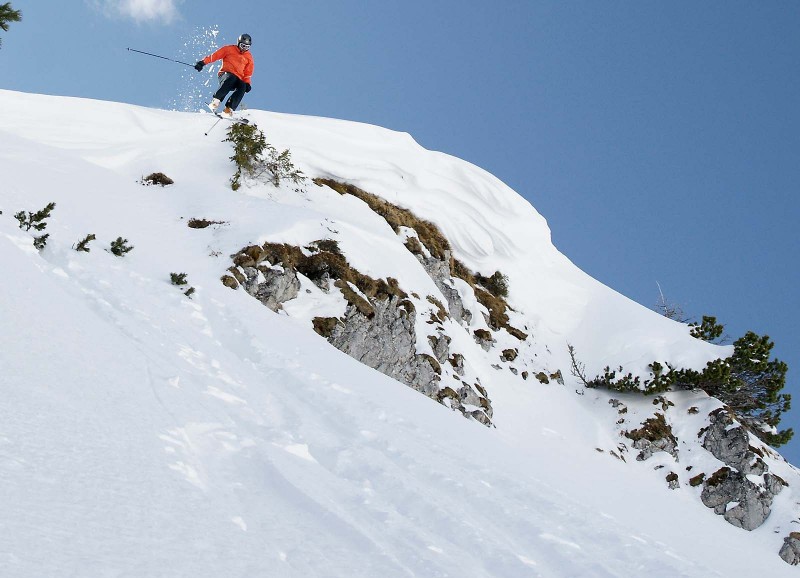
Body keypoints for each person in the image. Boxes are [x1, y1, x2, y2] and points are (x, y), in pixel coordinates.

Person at [194, 34, 254, 118]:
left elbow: (248, 73)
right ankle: (215, 102)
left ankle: (229, 109)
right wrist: (202, 63)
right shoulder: (229, 49)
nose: (244, 49)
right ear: (238, 43)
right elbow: (214, 56)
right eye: (242, 45)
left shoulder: (249, 57)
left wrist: (247, 83)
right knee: (231, 78)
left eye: (247, 47)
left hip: (238, 79)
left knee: (242, 86)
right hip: (226, 75)